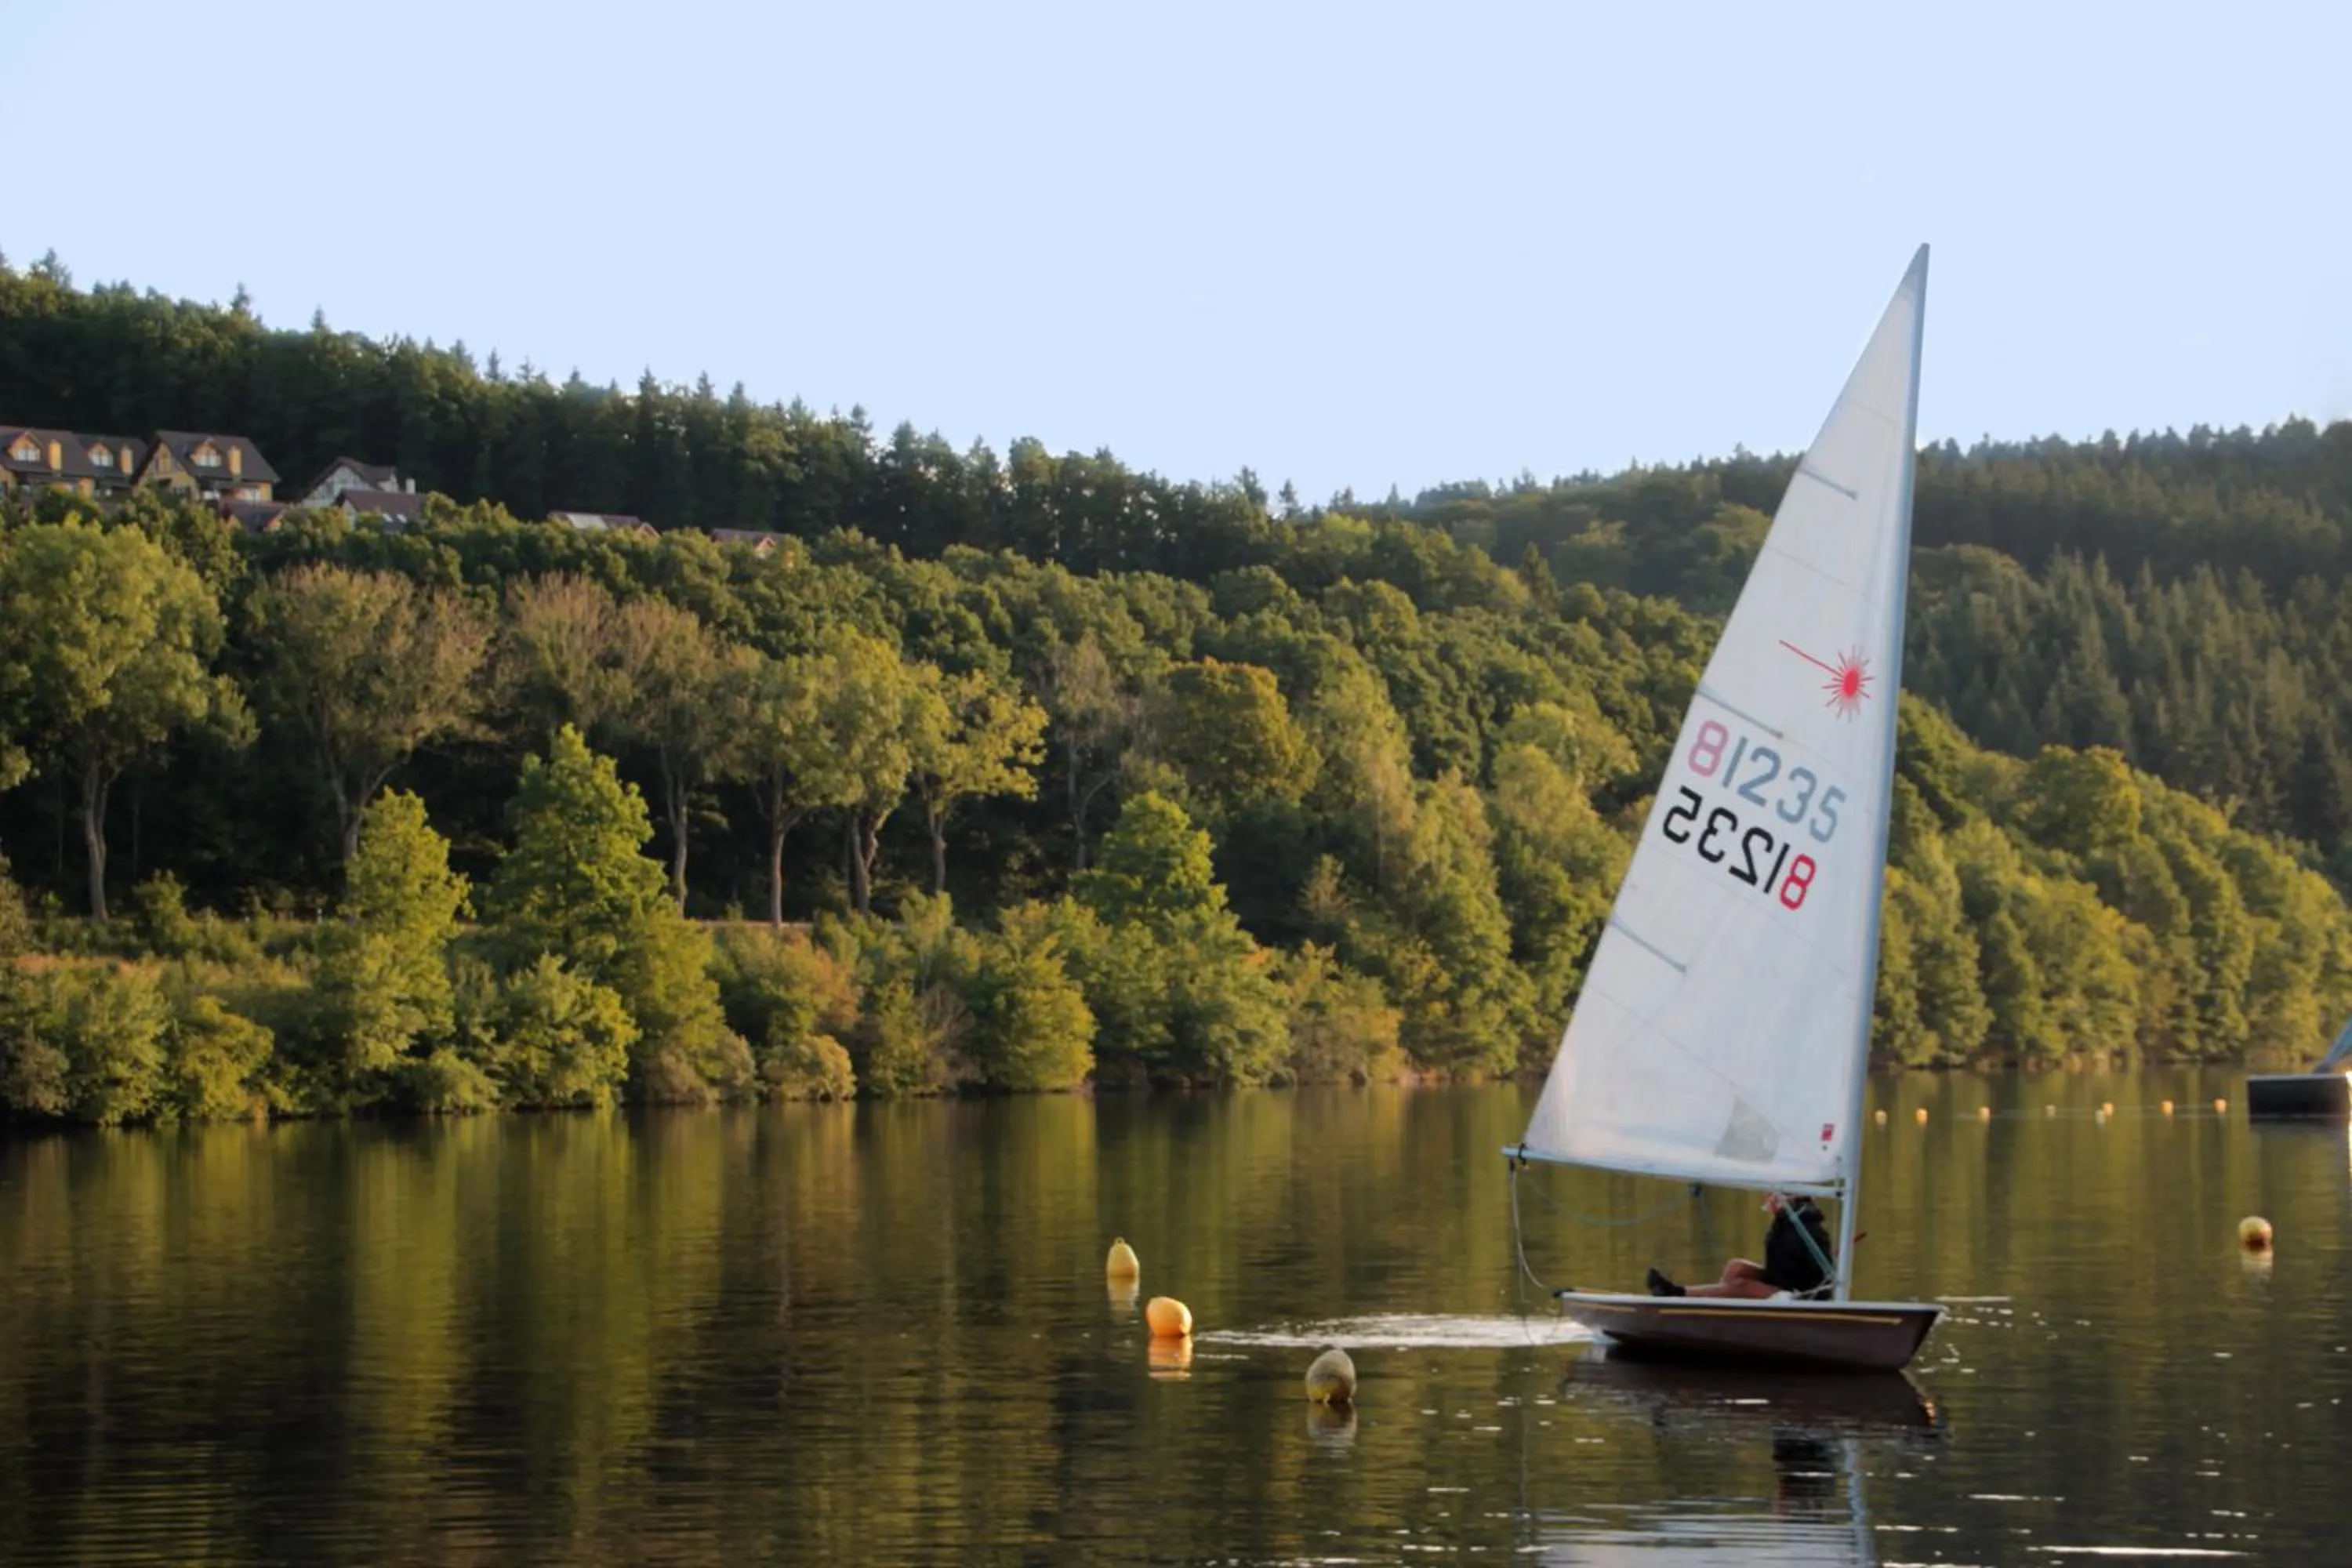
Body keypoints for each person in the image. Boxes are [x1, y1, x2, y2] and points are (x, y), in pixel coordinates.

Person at [1645, 1192, 1833, 1299]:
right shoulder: (1785, 1223)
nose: (1770, 1202)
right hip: (1783, 1283)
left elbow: (1818, 1274)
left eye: (1776, 1198)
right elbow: (1782, 1266)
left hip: (1801, 1295)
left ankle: (1678, 1293)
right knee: (1736, 1267)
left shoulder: (1809, 1230)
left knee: (1741, 1285)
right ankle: (1716, 1307)